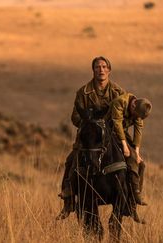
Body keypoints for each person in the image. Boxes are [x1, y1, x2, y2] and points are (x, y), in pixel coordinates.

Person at [56, 56, 126, 220]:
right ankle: (68, 200)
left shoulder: (119, 92)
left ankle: (132, 199)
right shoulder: (83, 92)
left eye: (103, 67)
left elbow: (125, 113)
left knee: (135, 163)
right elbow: (74, 117)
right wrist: (88, 122)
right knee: (70, 161)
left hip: (114, 135)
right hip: (89, 137)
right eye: (97, 67)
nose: (100, 70)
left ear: (109, 70)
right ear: (93, 70)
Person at [106, 93, 152, 208]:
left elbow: (138, 130)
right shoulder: (121, 102)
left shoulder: (139, 110)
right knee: (130, 158)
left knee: (141, 164)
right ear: (133, 105)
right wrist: (124, 145)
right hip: (107, 129)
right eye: (135, 115)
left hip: (122, 132)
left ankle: (134, 199)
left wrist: (136, 152)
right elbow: (116, 123)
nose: (136, 118)